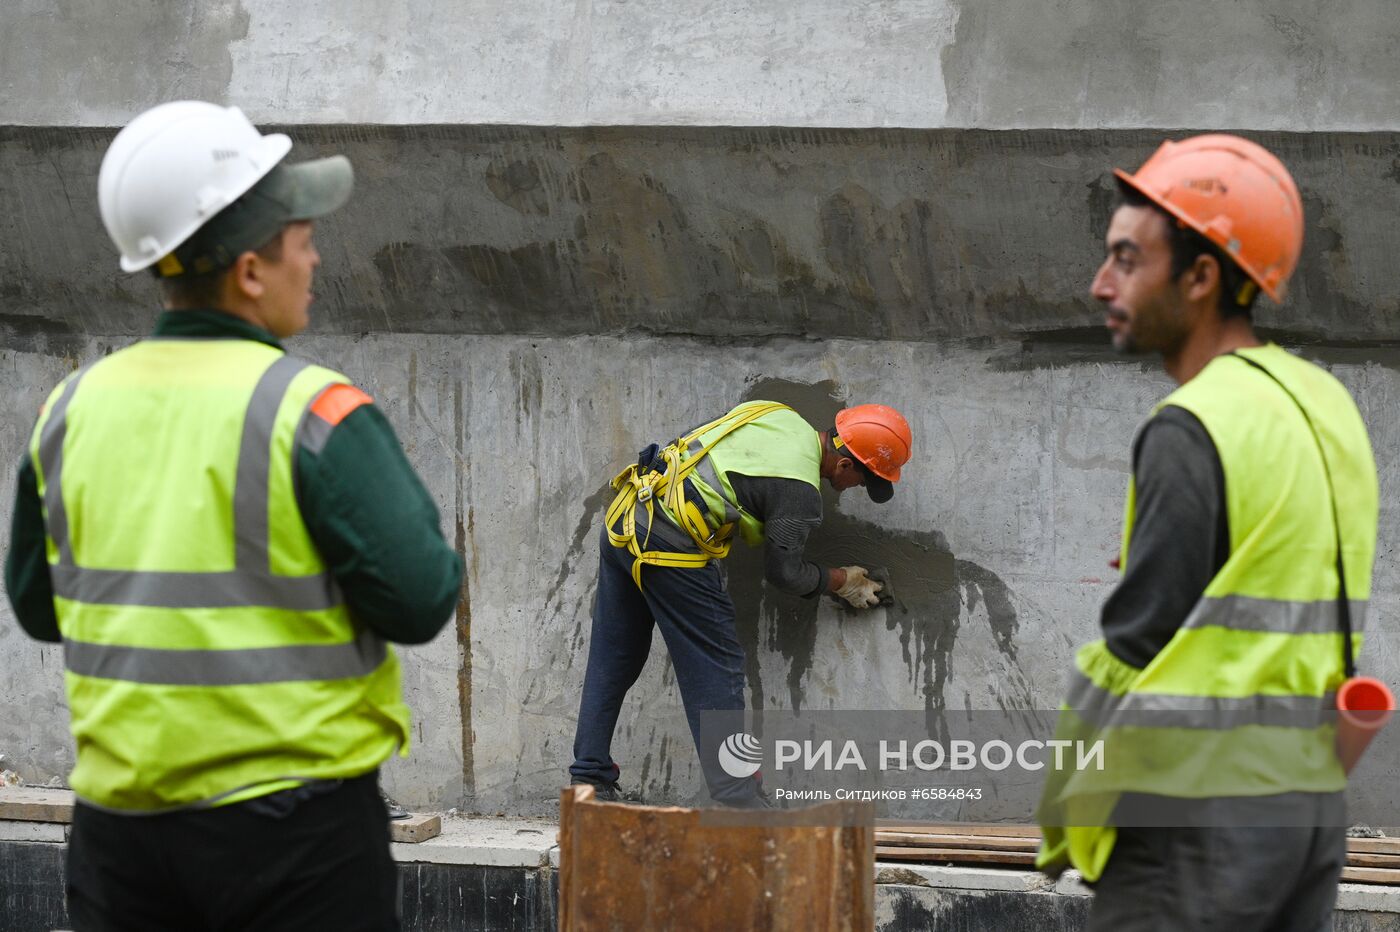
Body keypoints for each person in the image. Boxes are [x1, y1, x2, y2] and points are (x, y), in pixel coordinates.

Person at [2, 101, 463, 931]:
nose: (315, 257)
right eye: (301, 238)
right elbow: (423, 597)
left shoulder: (70, 411)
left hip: (120, 846)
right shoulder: (314, 412)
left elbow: (40, 609)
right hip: (300, 847)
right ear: (252, 271)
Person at [1036, 135, 1379, 930]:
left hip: (1193, 819)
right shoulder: (1322, 402)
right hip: (1305, 807)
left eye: (1127, 259)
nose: (1100, 284)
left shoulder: (1192, 425)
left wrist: (1063, 815)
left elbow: (1136, 645)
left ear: (1201, 276)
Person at [569, 399, 912, 805]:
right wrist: (841, 581)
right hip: (669, 547)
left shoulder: (778, 415)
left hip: (628, 518)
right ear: (844, 465)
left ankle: (589, 779)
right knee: (717, 666)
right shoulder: (800, 490)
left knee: (614, 656)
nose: (856, 489)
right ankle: (738, 796)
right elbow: (784, 572)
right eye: (863, 480)